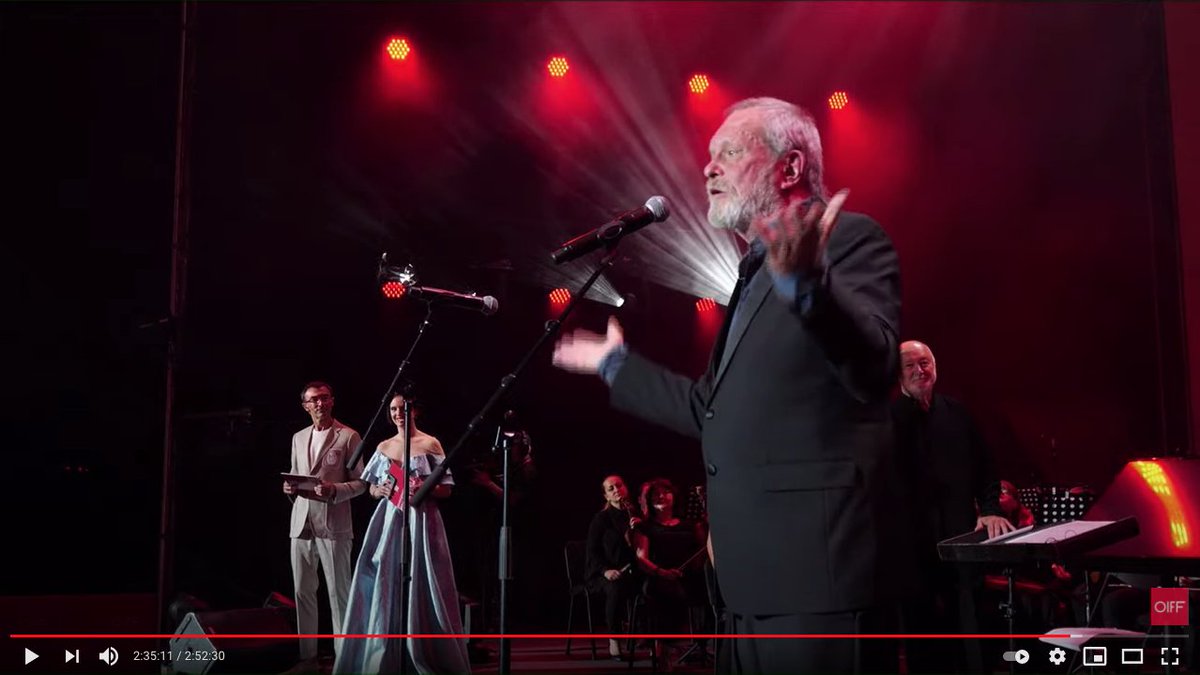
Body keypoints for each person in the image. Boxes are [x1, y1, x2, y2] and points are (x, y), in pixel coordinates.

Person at [554, 96, 904, 673]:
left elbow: (877, 371)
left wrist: (810, 288)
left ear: (790, 167)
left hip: (816, 584)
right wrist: (615, 366)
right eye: (710, 155)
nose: (708, 168)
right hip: (745, 589)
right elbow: (708, 409)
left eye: (731, 153)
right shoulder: (755, 274)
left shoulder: (848, 239)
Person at [891, 340, 1007, 672]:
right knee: (923, 633)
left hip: (962, 541)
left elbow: (986, 468)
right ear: (898, 375)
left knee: (972, 626)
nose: (919, 371)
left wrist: (991, 510)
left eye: (924, 363)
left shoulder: (957, 413)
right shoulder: (888, 420)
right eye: (910, 365)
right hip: (913, 548)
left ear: (935, 367)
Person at [334, 395, 470, 675]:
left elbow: (446, 489)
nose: (398, 413)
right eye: (393, 409)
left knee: (422, 575)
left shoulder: (430, 443)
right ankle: (384, 650)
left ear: (415, 411)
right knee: (385, 575)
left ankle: (421, 648)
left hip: (422, 518)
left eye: (403, 408)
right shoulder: (384, 446)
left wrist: (423, 487)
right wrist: (380, 490)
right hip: (389, 519)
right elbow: (371, 489)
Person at [283, 381, 367, 663]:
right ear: (305, 406)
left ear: (332, 401)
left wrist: (335, 490)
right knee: (302, 592)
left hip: (333, 526)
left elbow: (362, 482)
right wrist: (290, 488)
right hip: (302, 524)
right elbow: (295, 473)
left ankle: (345, 660)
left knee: (338, 594)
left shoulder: (348, 436)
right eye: (314, 400)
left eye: (324, 398)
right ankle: (307, 658)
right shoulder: (298, 437)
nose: (320, 403)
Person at [630, 478, 707, 671]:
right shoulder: (645, 527)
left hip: (685, 576)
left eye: (666, 492)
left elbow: (703, 551)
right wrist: (662, 572)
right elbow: (641, 559)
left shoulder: (689, 525)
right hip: (658, 576)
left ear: (674, 497)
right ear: (649, 501)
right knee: (668, 591)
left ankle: (697, 644)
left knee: (707, 589)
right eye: (656, 494)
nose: (661, 496)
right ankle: (665, 647)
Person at [585, 474, 641, 660]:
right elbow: (592, 551)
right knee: (615, 588)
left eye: (619, 485)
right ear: (606, 496)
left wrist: (639, 530)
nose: (617, 490)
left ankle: (651, 637)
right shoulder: (601, 519)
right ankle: (614, 639)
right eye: (611, 488)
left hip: (630, 570)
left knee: (651, 585)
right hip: (603, 573)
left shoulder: (635, 515)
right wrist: (605, 571)